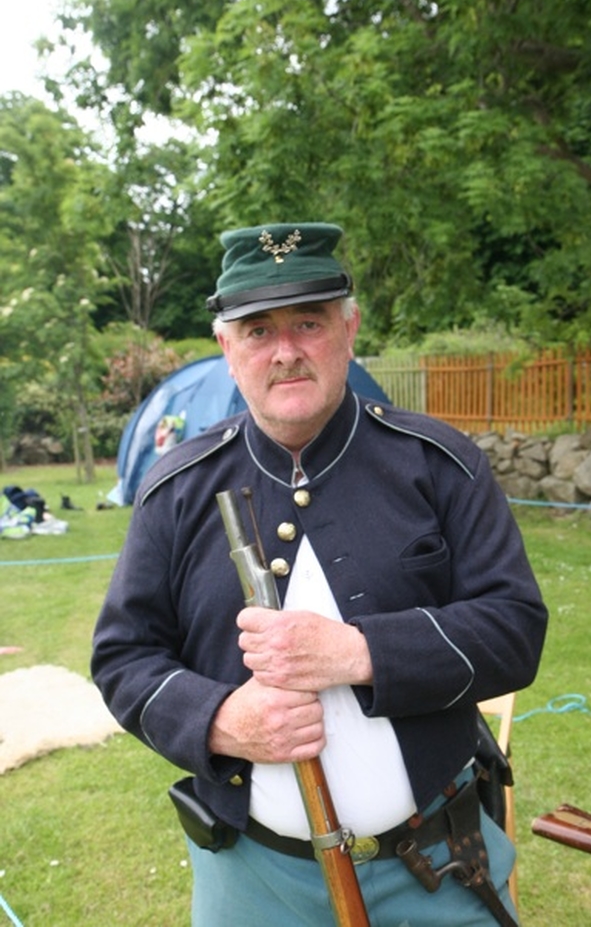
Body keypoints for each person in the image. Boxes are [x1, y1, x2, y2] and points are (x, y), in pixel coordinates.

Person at [92, 222, 548, 927]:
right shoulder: (175, 488)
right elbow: (123, 658)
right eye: (257, 331)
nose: (285, 351)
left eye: (308, 321)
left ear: (349, 327)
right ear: (227, 348)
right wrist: (220, 721)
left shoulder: (439, 464)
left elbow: (515, 629)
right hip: (253, 883)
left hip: (441, 865)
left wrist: (357, 651)